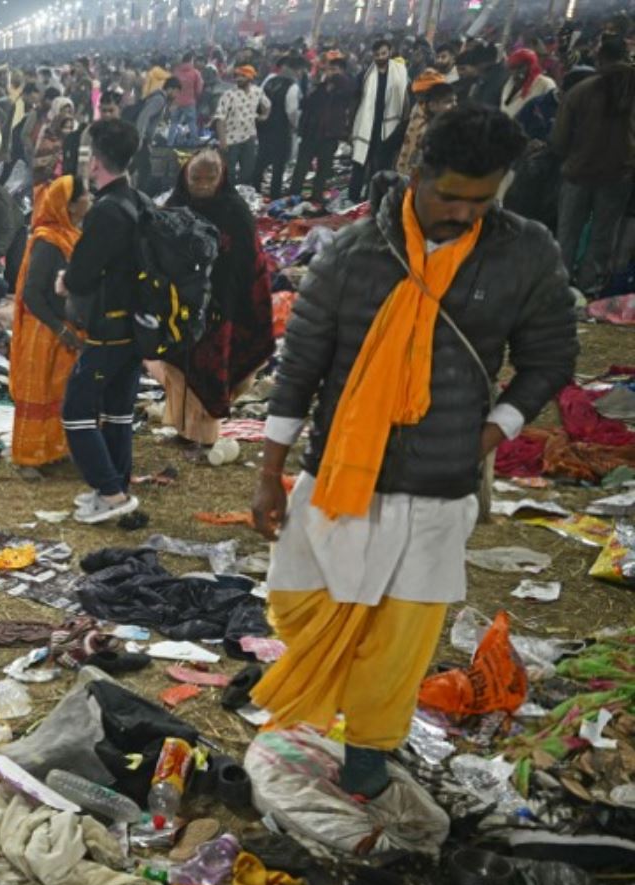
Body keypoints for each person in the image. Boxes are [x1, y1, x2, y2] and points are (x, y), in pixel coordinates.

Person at [250, 107, 575, 801]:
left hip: (439, 483)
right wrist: (269, 469)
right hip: (338, 473)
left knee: (401, 633)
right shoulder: (350, 253)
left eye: (482, 199)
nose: (463, 212)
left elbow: (550, 356)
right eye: (450, 194)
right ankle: (318, 703)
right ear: (417, 175)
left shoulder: (525, 252)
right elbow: (301, 364)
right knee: (300, 600)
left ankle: (369, 745)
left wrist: (492, 432)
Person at [155, 150, 275, 449]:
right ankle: (183, 430)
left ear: (222, 178)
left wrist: (224, 301)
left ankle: (203, 435)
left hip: (221, 305)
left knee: (209, 369)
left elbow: (248, 264)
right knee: (179, 366)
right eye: (196, 178)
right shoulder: (175, 206)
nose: (203, 185)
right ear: (185, 176)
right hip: (180, 303)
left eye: (210, 179)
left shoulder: (235, 212)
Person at [58, 118, 143, 525]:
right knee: (118, 412)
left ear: (95, 162)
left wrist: (64, 280)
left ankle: (110, 493)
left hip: (108, 329)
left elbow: (81, 275)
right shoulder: (137, 200)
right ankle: (115, 487)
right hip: (137, 326)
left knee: (76, 411)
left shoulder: (105, 212)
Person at [9, 175, 89, 477]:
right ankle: (27, 457)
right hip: (44, 330)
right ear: (69, 205)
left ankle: (53, 450)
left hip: (64, 327)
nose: (90, 200)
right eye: (86, 195)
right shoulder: (47, 240)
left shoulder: (70, 235)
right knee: (38, 392)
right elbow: (32, 292)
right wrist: (60, 328)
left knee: (60, 392)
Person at [552, 35, 635, 296]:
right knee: (603, 234)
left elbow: (560, 137)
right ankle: (590, 286)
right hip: (618, 174)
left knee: (568, 232)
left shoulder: (581, 90)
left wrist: (567, 156)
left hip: (578, 171)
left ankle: (558, 286)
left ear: (600, 58)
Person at [349, 40, 410, 201]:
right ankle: (353, 198)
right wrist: (351, 125)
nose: (380, 57)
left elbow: (405, 99)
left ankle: (372, 198)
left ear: (390, 52)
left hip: (390, 127)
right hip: (368, 124)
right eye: (376, 55)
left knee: (380, 165)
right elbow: (356, 99)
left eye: (383, 53)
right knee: (360, 163)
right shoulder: (366, 74)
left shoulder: (400, 71)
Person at [292, 54, 356, 200]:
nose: (330, 73)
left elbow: (349, 90)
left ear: (342, 71)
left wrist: (335, 79)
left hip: (330, 135)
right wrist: (322, 86)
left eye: (334, 70)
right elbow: (305, 104)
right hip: (311, 133)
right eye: (329, 70)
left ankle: (316, 197)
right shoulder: (319, 88)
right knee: (301, 167)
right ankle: (293, 195)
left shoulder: (345, 88)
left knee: (323, 170)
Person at [214, 66, 271, 187]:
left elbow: (267, 105)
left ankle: (242, 196)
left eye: (242, 76)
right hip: (231, 140)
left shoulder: (257, 92)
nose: (238, 79)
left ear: (250, 78)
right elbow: (220, 118)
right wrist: (222, 140)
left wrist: (264, 116)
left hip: (249, 138)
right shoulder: (228, 95)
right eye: (237, 76)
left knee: (248, 172)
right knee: (228, 173)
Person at [257, 57, 304, 201]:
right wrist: (297, 126)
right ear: (296, 70)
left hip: (264, 127)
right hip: (281, 130)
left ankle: (255, 189)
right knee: (279, 165)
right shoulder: (292, 86)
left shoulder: (269, 81)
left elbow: (260, 102)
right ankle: (274, 195)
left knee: (262, 160)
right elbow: (292, 111)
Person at [397, 72, 458, 176]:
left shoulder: (447, 126)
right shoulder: (418, 114)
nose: (455, 105)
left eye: (455, 101)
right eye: (449, 102)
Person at [500, 48, 558, 122]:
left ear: (531, 65)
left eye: (520, 67)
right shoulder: (509, 83)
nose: (515, 72)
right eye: (513, 68)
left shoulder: (545, 84)